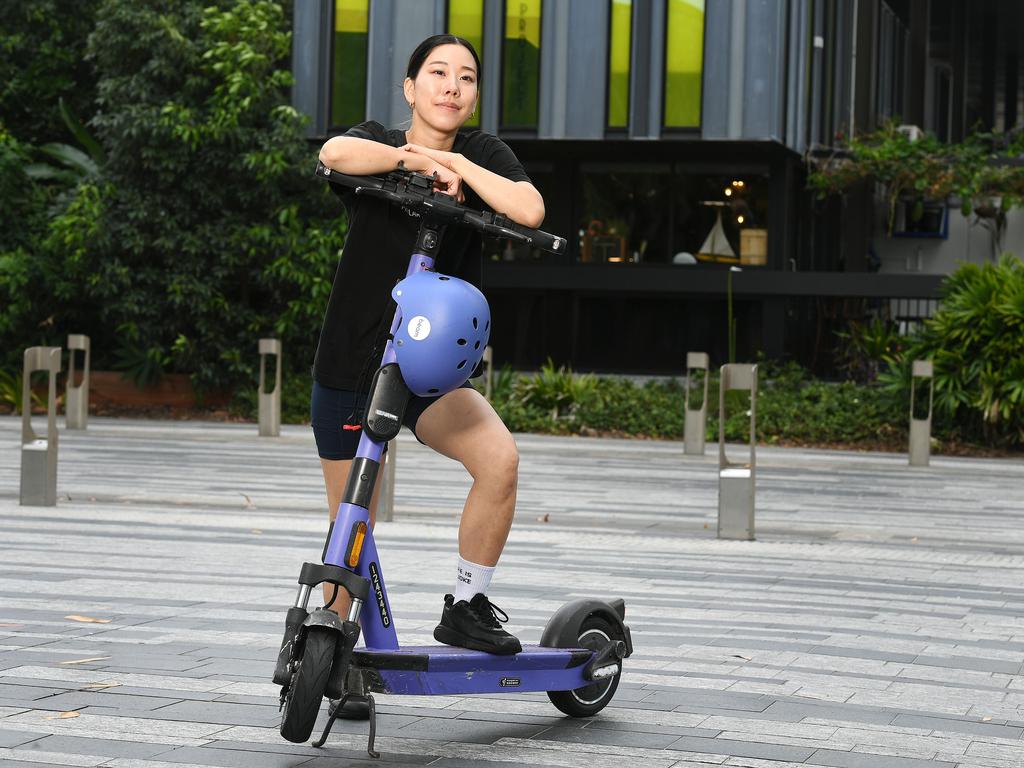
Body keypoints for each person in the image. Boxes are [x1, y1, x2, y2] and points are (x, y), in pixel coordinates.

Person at [313, 34, 545, 666]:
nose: (451, 86)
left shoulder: (484, 153)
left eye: (466, 77)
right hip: (351, 361)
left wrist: (460, 167)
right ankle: (333, 649)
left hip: (428, 370)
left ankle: (468, 607)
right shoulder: (380, 145)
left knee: (499, 459)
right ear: (411, 88)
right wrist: (415, 161)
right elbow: (334, 152)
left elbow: (528, 208)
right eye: (437, 73)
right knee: (350, 523)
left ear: (473, 96)